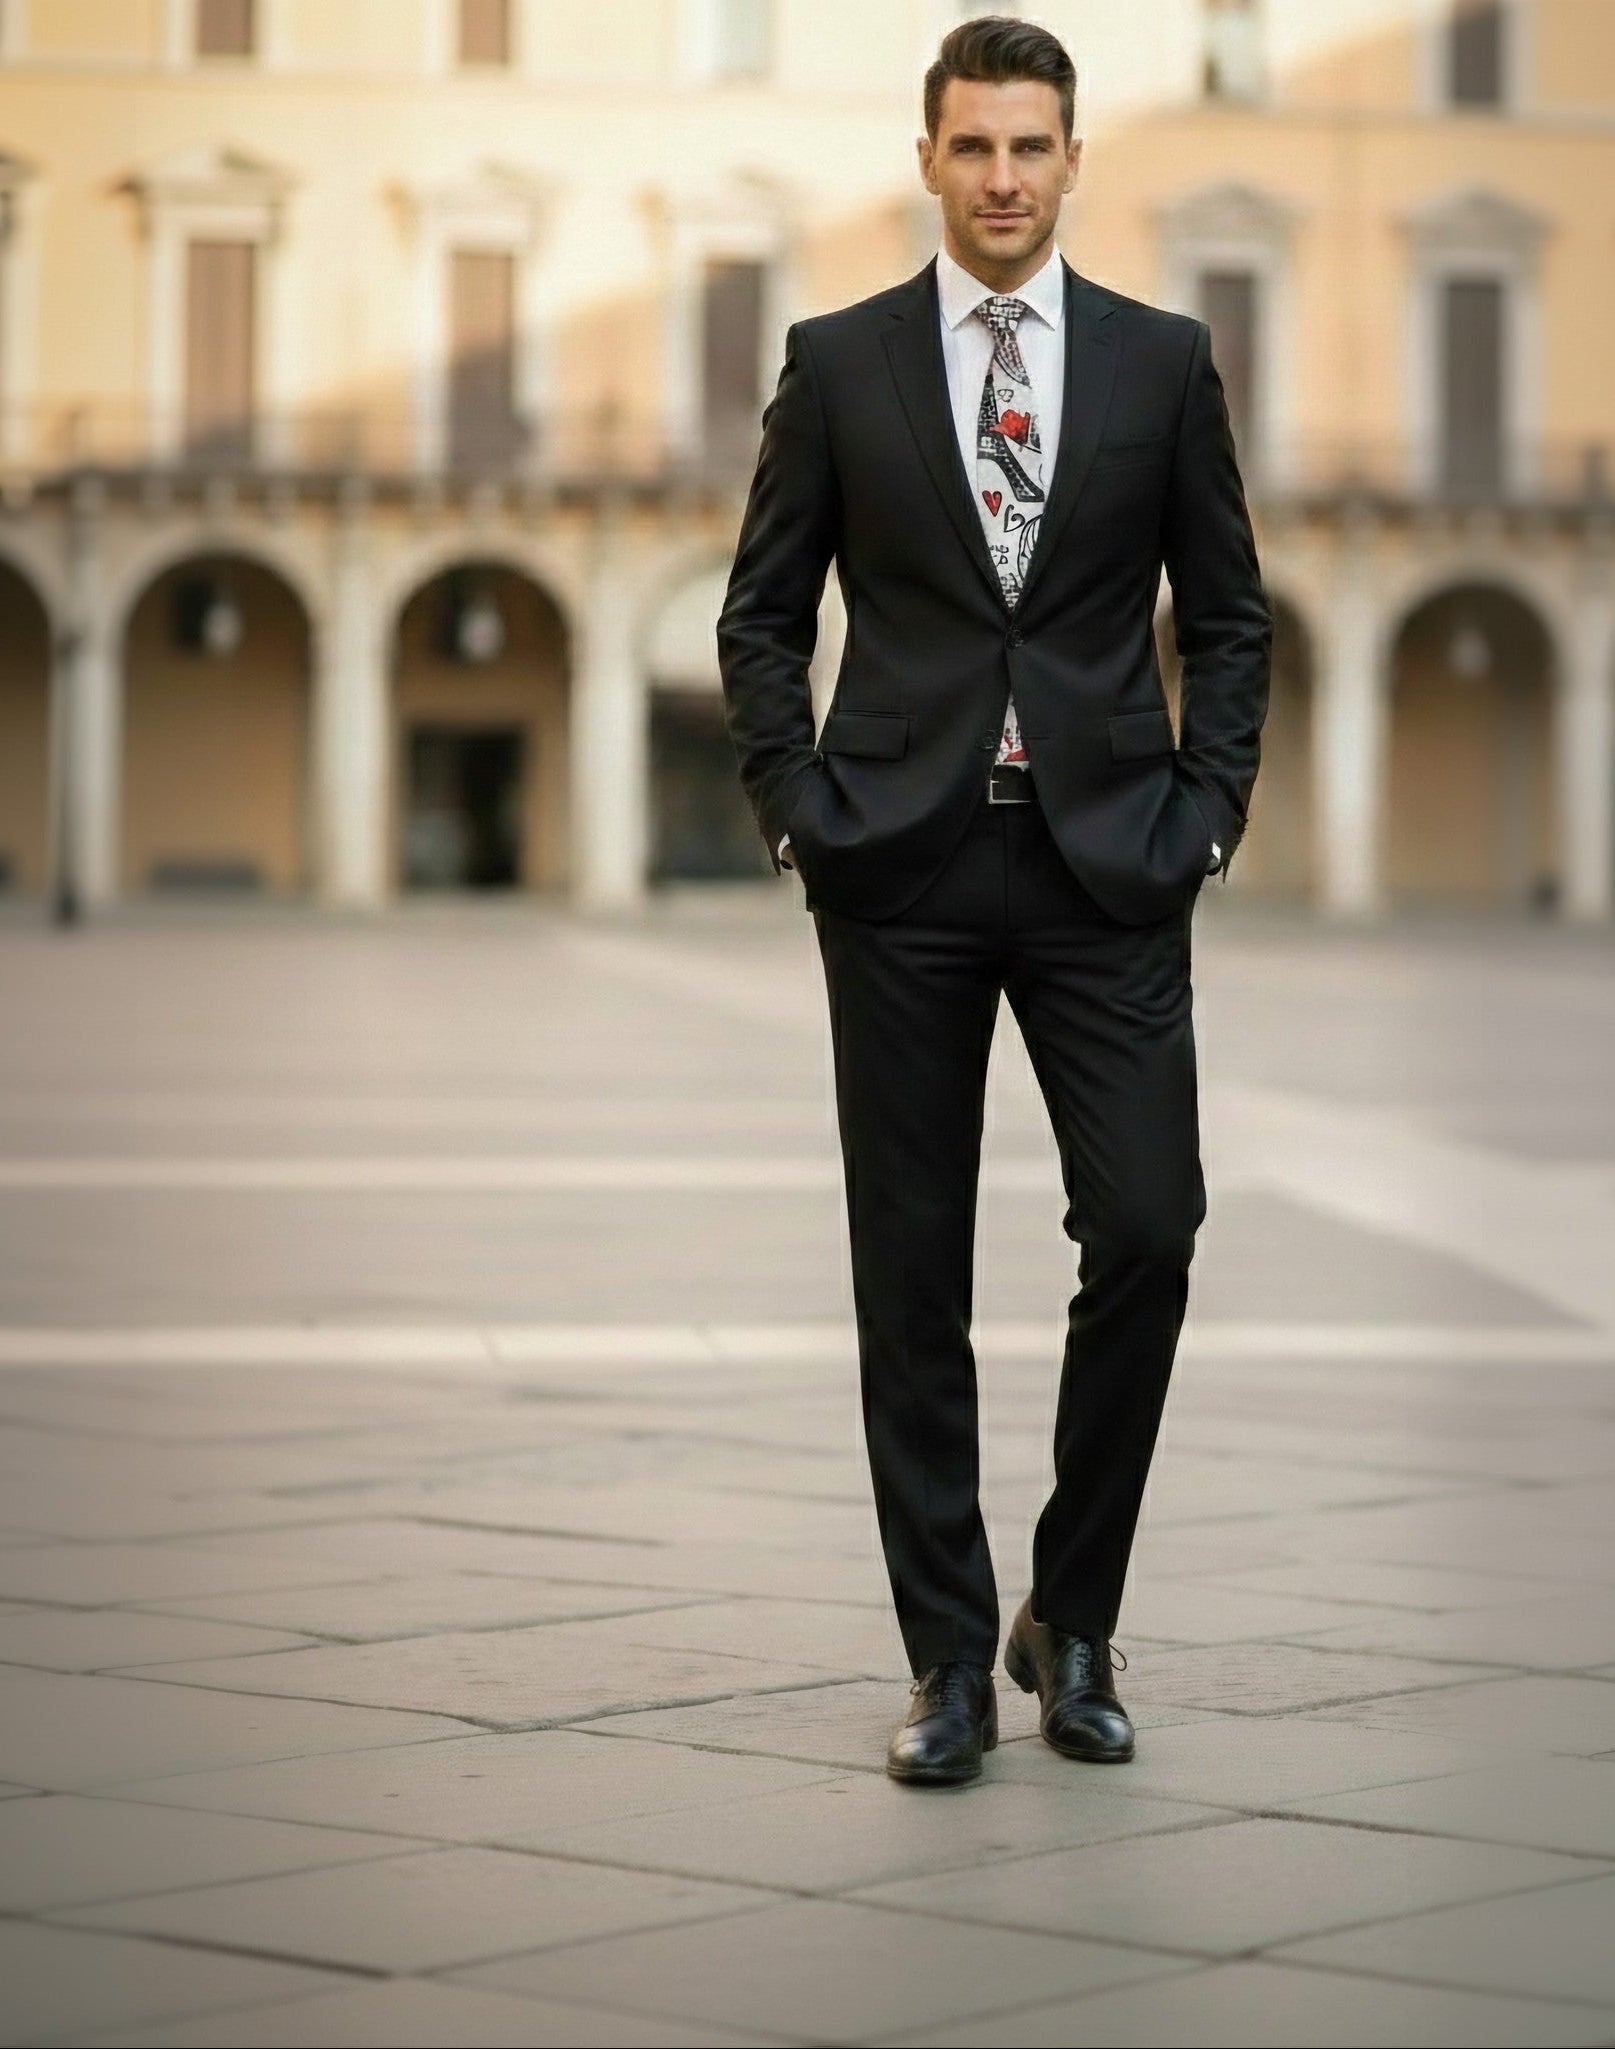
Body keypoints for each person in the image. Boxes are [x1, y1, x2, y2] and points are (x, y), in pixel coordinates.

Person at [718, 15, 1270, 1785]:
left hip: (1112, 862)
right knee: (910, 1269)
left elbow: (1231, 618)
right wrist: (803, 810)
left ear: (1075, 159)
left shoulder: (1162, 363)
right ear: (931, 160)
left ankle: (1076, 1613)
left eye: (1033, 147)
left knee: (1154, 1227)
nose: (1006, 178)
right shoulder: (842, 360)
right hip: (905, 864)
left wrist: (1206, 814)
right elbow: (758, 614)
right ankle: (951, 1659)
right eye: (975, 148)